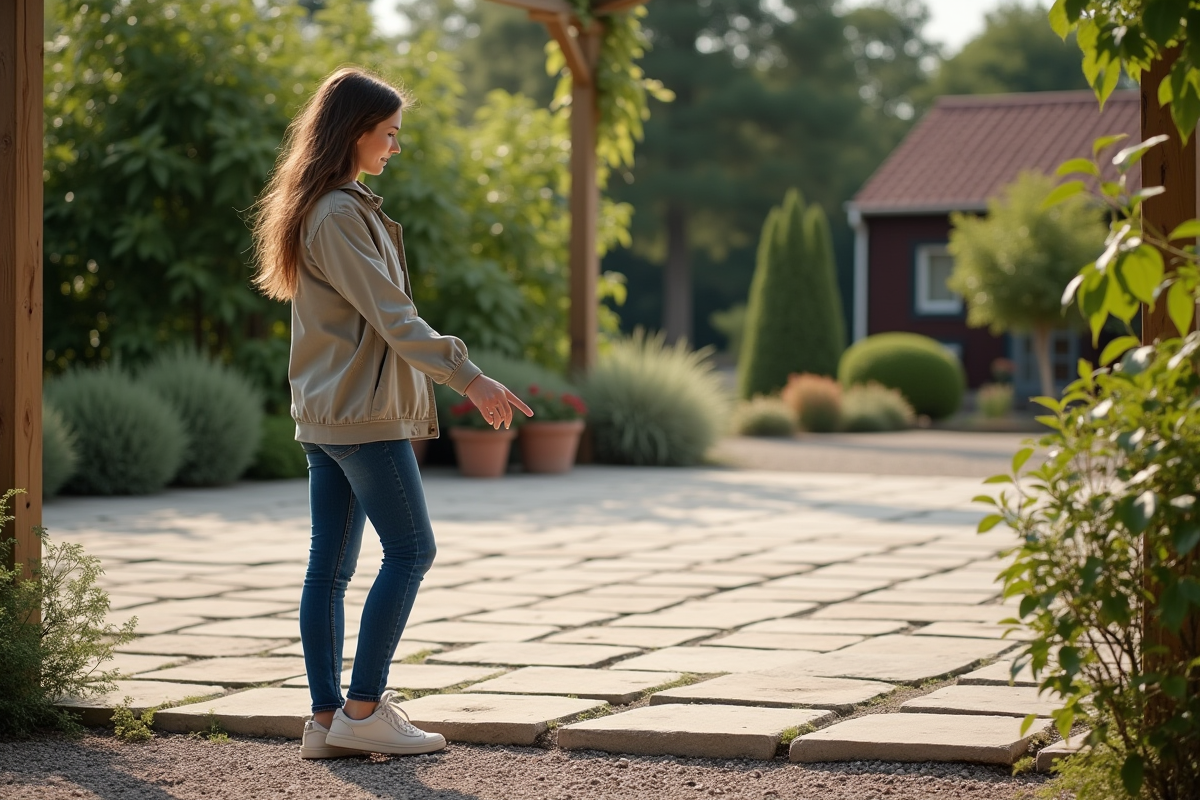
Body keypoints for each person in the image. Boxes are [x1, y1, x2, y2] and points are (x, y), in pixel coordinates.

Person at [251, 67, 532, 759]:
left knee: (331, 568)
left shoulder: (327, 207)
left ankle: (325, 723)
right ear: (354, 133)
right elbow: (394, 318)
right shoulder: (340, 215)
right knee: (411, 551)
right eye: (389, 134)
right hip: (361, 418)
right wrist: (471, 378)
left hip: (329, 415)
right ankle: (365, 708)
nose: (394, 148)